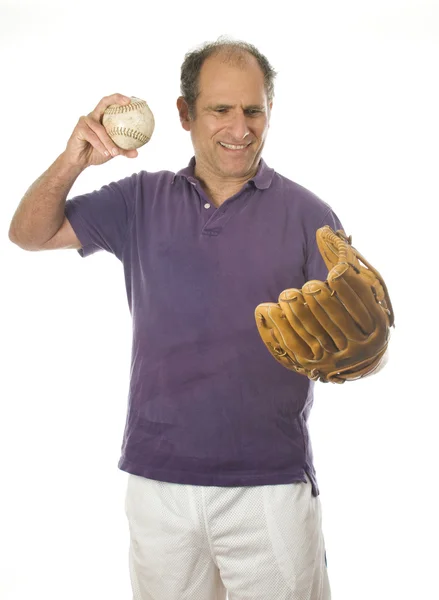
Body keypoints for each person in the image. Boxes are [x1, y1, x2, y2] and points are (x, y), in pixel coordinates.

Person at [9, 38, 345, 600]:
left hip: (269, 484)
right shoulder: (139, 200)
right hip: (157, 480)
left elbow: (356, 338)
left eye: (254, 110)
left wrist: (368, 352)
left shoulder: (311, 215)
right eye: (220, 109)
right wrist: (76, 158)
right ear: (185, 114)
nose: (240, 128)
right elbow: (29, 233)